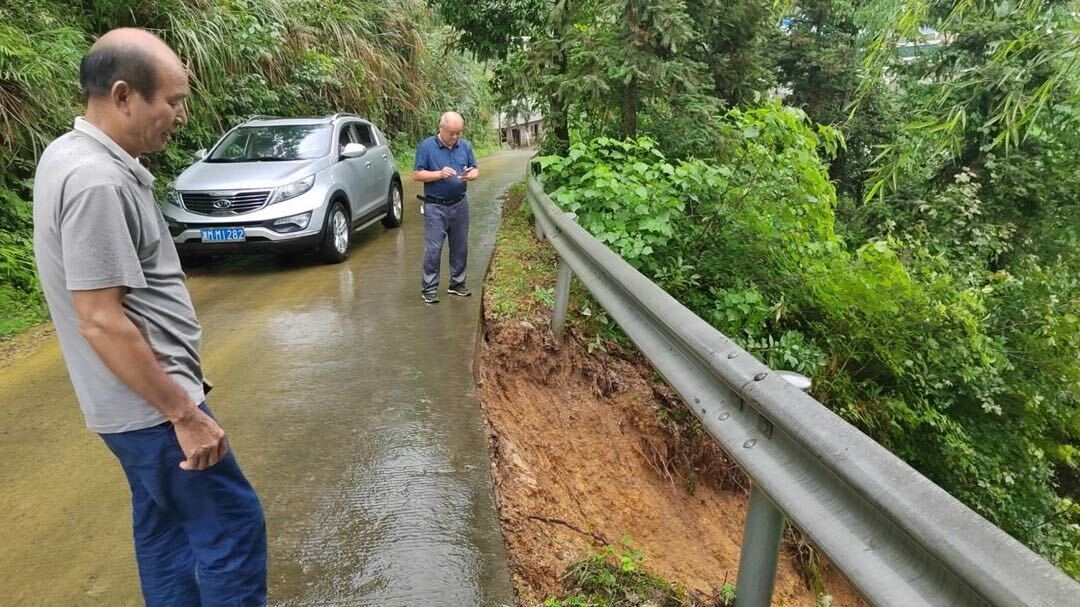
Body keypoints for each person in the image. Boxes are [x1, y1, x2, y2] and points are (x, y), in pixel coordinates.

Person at [32, 29, 266, 605]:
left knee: (166, 536)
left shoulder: (69, 154)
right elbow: (100, 320)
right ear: (122, 95)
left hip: (130, 410)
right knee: (233, 528)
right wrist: (183, 413)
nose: (181, 115)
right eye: (174, 100)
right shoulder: (97, 182)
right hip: (152, 410)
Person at [412, 111, 480, 304]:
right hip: (435, 206)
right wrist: (439, 174)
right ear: (441, 128)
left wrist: (471, 175)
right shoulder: (427, 147)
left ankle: (457, 284)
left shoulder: (464, 146)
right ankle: (429, 288)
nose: (455, 137)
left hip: (459, 204)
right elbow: (417, 175)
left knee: (460, 247)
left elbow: (474, 168)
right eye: (451, 133)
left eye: (458, 132)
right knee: (433, 249)